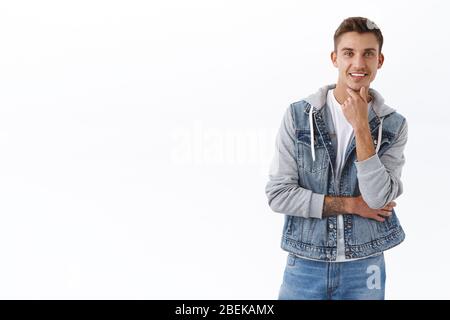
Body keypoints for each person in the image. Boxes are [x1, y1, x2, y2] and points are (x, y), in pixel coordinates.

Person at [265, 17, 408, 300]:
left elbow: (378, 199)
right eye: (348, 53)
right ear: (334, 58)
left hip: (365, 266)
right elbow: (278, 195)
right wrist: (351, 205)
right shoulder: (298, 117)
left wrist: (362, 128)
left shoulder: (393, 125)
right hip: (305, 262)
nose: (358, 63)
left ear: (379, 60)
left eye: (368, 54)